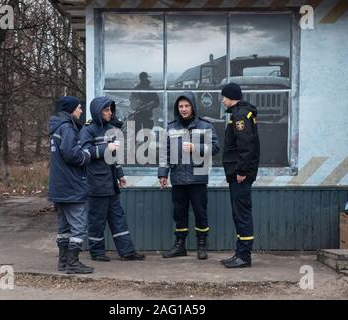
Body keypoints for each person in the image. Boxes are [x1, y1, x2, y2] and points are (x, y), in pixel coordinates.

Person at [80, 96, 145, 261]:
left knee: (118, 218)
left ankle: (127, 251)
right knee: (97, 220)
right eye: (106, 110)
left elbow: (113, 156)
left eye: (111, 110)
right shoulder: (87, 130)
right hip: (96, 184)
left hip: (110, 184)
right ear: (97, 112)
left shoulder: (110, 129)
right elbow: (83, 153)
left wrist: (119, 174)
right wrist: (104, 148)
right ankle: (97, 252)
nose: (110, 113)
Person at [158, 91, 220, 260]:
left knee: (200, 212)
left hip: (198, 177)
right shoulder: (171, 127)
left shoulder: (205, 126)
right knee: (179, 213)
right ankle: (180, 246)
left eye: (187, 106)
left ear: (193, 107)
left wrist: (196, 148)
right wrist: (163, 174)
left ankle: (201, 246)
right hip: (178, 177)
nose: (184, 109)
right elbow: (165, 152)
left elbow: (215, 147)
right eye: (181, 106)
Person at [48, 96, 94, 274]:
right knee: (79, 225)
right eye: (79, 108)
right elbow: (72, 155)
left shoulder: (57, 127)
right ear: (71, 110)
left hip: (59, 186)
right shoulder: (67, 128)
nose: (81, 111)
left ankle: (63, 262)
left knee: (64, 227)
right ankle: (73, 263)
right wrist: (87, 155)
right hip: (71, 185)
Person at [220, 83, 260, 268]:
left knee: (242, 214)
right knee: (239, 213)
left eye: (224, 97)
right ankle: (240, 253)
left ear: (231, 97)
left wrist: (242, 171)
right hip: (237, 173)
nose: (222, 100)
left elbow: (246, 146)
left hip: (240, 174)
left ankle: (244, 256)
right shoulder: (239, 114)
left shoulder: (240, 116)